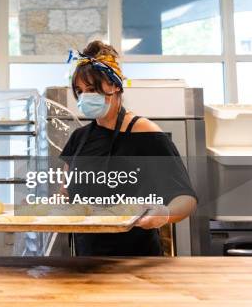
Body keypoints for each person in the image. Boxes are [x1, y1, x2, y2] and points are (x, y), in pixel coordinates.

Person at [60, 40, 197, 256]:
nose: (85, 96)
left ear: (115, 86)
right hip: (86, 259)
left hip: (137, 261)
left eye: (93, 89)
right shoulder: (79, 138)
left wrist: (164, 213)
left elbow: (186, 199)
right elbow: (66, 192)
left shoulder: (146, 134)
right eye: (80, 90)